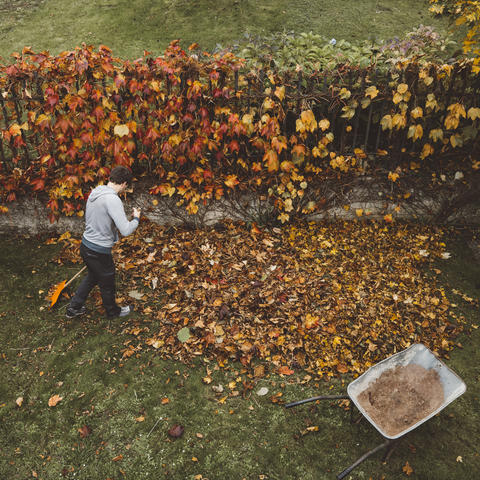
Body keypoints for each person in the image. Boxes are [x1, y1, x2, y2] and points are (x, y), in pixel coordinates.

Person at [66, 165, 141, 319]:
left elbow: (103, 218)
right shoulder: (112, 200)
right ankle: (113, 312)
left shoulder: (96, 192)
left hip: (86, 245)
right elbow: (126, 230)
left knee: (93, 276)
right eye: (126, 187)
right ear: (124, 184)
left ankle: (73, 308)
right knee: (107, 283)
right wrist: (136, 218)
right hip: (98, 251)